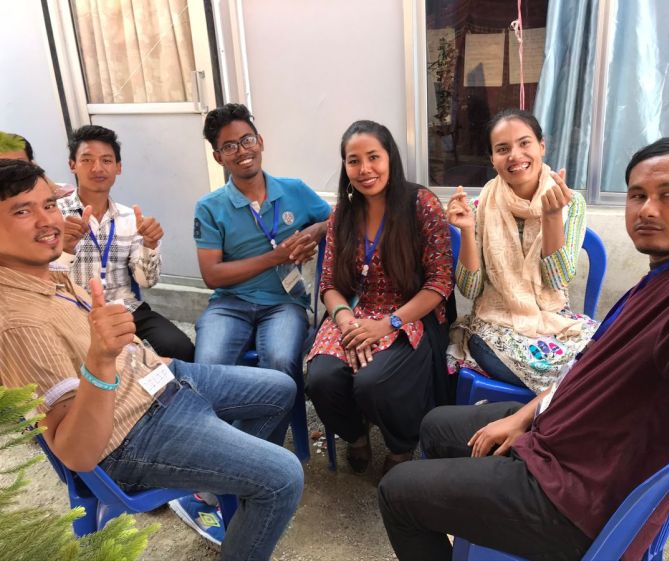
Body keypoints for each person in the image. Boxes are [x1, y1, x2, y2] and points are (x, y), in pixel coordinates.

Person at [378, 115, 669, 561]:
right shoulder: (660, 275)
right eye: (637, 195)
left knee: (397, 491)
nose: (648, 209)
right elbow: (580, 362)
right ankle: (468, 517)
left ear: (542, 146)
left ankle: (466, 512)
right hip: (560, 428)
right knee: (436, 424)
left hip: (579, 494)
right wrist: (527, 415)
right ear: (491, 158)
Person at [0, 159, 304, 561]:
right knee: (283, 476)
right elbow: (77, 453)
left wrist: (137, 354)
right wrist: (101, 360)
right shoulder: (17, 323)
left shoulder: (47, 271)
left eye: (49, 205)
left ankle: (216, 488)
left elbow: (141, 283)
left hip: (154, 379)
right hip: (132, 433)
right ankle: (238, 485)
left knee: (280, 387)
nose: (47, 221)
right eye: (22, 211)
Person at [306, 120, 453, 475]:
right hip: (354, 312)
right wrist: (345, 320)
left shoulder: (421, 204)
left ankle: (402, 445)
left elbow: (440, 283)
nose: (365, 169)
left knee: (374, 382)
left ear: (390, 158)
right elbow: (329, 283)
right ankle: (356, 435)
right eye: (354, 160)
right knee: (321, 379)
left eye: (374, 157)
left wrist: (387, 324)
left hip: (408, 314)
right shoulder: (342, 214)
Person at [193, 103, 330, 443]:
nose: (242, 151)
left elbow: (339, 217)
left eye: (247, 140)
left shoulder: (294, 190)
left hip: (284, 303)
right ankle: (221, 446)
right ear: (218, 157)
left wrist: (318, 229)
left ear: (260, 141)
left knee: (281, 362)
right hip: (230, 303)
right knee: (208, 366)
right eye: (229, 146)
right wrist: (275, 257)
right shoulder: (209, 207)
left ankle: (261, 453)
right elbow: (212, 276)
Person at [446, 109, 596, 393]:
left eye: (524, 143)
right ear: (492, 159)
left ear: (542, 146)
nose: (515, 155)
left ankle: (555, 409)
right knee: (582, 378)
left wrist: (552, 217)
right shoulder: (479, 207)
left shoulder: (570, 202)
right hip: (495, 326)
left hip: (555, 321)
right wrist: (466, 230)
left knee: (609, 355)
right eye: (503, 149)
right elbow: (470, 289)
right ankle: (560, 409)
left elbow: (557, 280)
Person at [54, 125, 194, 361]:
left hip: (124, 308)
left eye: (106, 160)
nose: (97, 168)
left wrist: (150, 244)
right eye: (87, 160)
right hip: (73, 311)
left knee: (179, 348)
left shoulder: (129, 218)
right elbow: (45, 280)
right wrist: (65, 248)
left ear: (118, 167)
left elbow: (146, 281)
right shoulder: (54, 215)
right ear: (72, 165)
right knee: (85, 359)